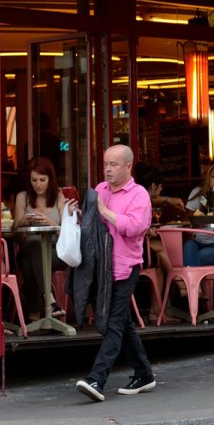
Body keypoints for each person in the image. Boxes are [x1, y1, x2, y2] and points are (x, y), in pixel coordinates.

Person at [75, 144, 156, 402]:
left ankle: (97, 379)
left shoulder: (139, 195)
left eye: (114, 165)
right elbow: (92, 224)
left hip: (125, 267)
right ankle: (144, 373)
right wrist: (78, 213)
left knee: (112, 323)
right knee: (122, 323)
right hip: (102, 267)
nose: (108, 170)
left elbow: (134, 227)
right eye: (106, 164)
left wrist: (104, 211)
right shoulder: (100, 190)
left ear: (128, 166)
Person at [13, 156, 63, 318]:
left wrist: (49, 222)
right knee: (33, 246)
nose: (38, 184)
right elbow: (16, 238)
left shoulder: (58, 197)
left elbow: (67, 233)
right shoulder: (23, 197)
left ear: (50, 179)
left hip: (55, 251)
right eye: (34, 180)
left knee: (30, 261)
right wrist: (21, 222)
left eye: (42, 180)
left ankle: (33, 314)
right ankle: (50, 302)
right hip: (28, 248)